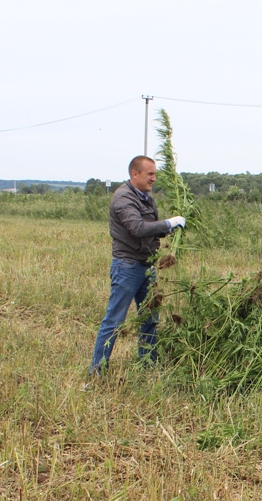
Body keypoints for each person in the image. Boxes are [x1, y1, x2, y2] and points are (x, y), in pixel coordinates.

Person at [89, 156, 185, 375]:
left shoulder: (146, 197)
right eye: (149, 174)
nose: (154, 178)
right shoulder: (123, 198)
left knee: (150, 317)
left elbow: (151, 227)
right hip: (128, 267)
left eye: (154, 174)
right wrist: (169, 223)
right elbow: (138, 228)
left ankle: (147, 365)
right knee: (114, 320)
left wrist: (169, 228)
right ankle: (96, 371)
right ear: (135, 174)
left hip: (147, 266)